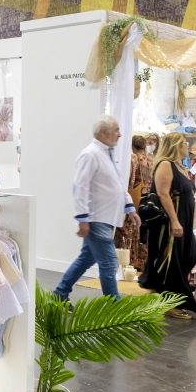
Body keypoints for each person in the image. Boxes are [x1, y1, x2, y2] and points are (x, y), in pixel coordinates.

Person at [54, 116, 141, 300]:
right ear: (103, 132)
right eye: (117, 130)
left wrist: (130, 208)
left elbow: (116, 185)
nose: (120, 134)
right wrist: (83, 218)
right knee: (109, 263)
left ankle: (60, 293)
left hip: (105, 218)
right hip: (96, 218)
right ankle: (114, 307)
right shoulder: (90, 154)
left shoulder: (106, 155)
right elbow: (80, 186)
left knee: (86, 258)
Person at [139, 133, 196, 319]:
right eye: (184, 143)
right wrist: (174, 220)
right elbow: (163, 194)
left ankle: (160, 294)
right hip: (169, 221)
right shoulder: (165, 164)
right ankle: (169, 303)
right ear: (175, 145)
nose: (187, 146)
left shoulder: (179, 166)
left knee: (188, 255)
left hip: (183, 219)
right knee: (171, 260)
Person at [115, 135, 149, 270]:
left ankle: (124, 264)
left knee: (123, 234)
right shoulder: (142, 158)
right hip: (135, 199)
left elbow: (131, 182)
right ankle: (131, 262)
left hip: (126, 200)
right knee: (132, 234)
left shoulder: (132, 158)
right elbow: (139, 181)